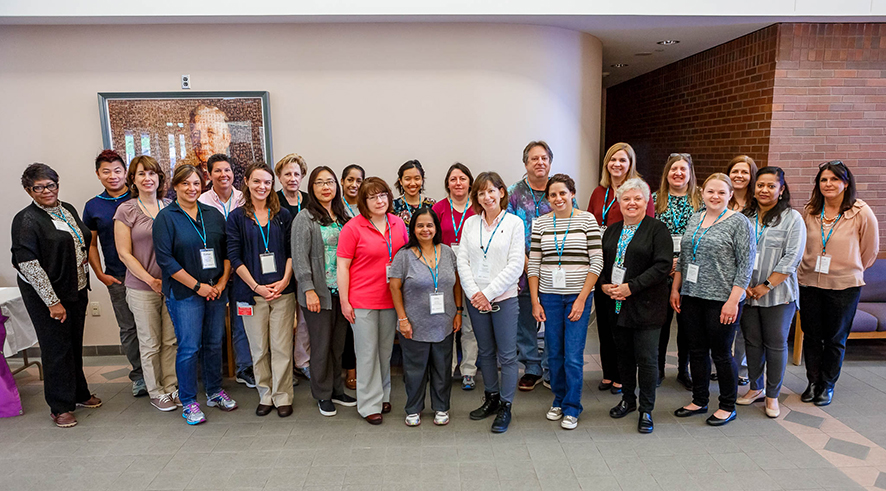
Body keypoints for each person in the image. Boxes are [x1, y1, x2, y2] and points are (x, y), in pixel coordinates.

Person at [12, 163, 102, 428]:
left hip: (74, 288)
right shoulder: (26, 220)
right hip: (48, 297)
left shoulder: (67, 209)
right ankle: (60, 406)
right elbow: (27, 263)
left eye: (50, 185)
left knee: (73, 345)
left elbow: (79, 240)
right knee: (56, 349)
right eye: (38, 187)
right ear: (29, 191)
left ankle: (79, 393)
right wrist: (52, 302)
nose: (46, 191)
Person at [154, 165, 237, 425]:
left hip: (215, 290)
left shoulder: (212, 215)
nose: (191, 189)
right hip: (185, 293)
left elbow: (227, 252)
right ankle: (189, 401)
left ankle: (214, 392)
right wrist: (197, 286)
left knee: (214, 344)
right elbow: (166, 261)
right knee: (189, 348)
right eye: (185, 184)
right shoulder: (166, 218)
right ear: (175, 187)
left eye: (196, 184)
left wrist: (222, 282)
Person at [671, 173, 754, 427]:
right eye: (710, 192)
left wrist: (733, 301)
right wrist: (676, 289)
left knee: (721, 353)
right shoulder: (695, 218)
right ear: (702, 194)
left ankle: (728, 405)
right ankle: (699, 399)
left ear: (730, 194)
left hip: (722, 299)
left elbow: (746, 266)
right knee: (696, 351)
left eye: (721, 192)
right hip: (691, 296)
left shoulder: (739, 222)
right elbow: (685, 258)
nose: (715, 197)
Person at [797, 161, 879, 406]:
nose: (828, 184)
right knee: (812, 335)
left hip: (845, 286)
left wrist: (849, 268)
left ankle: (827, 384)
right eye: (823, 179)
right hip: (810, 282)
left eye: (834, 179)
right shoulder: (810, 210)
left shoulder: (861, 211)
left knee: (835, 337)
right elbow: (803, 246)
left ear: (846, 183)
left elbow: (870, 250)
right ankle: (812, 382)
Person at [527, 174, 603, 430]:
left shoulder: (587, 220)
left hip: (577, 296)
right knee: (554, 353)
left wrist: (582, 299)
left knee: (572, 355)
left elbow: (597, 262)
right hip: (549, 296)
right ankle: (558, 399)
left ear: (572, 193)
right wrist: (536, 301)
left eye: (562, 193)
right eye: (552, 195)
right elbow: (534, 264)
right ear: (547, 198)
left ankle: (572, 407)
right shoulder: (540, 224)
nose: (558, 199)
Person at [599, 178, 672, 434]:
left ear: (646, 202)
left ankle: (647, 410)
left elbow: (663, 266)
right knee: (624, 357)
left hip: (646, 306)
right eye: (626, 199)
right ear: (619, 203)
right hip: (617, 306)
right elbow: (602, 263)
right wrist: (604, 284)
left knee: (647, 359)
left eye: (637, 199)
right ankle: (628, 400)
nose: (632, 203)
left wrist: (632, 286)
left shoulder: (657, 229)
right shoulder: (611, 230)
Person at [337, 177, 408, 425]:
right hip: (362, 300)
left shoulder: (398, 223)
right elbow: (343, 267)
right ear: (363, 202)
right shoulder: (353, 228)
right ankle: (368, 404)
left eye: (383, 195)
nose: (379, 201)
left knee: (385, 352)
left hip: (391, 299)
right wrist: (345, 301)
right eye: (372, 197)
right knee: (367, 354)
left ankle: (383, 395)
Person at [228, 162, 296, 417]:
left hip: (281, 293)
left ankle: (283, 396)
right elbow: (234, 257)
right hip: (251, 294)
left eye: (267, 182)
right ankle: (265, 394)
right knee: (259, 349)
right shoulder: (236, 217)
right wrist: (256, 286)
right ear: (246, 182)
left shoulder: (283, 215)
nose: (262, 186)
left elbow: (291, 253)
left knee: (281, 348)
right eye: (257, 181)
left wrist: (284, 281)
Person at [737, 166, 805, 418]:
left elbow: (792, 258)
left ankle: (773, 395)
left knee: (775, 344)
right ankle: (755, 387)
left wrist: (765, 286)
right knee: (752, 342)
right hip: (746, 292)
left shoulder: (792, 218)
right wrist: (744, 286)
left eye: (771, 186)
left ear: (781, 189)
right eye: (760, 185)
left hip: (778, 294)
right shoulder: (744, 216)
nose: (764, 190)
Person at [459, 172, 525, 433]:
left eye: (491, 191)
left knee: (507, 355)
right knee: (485, 352)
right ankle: (491, 397)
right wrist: (476, 293)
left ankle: (506, 405)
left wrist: (488, 294)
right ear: (476, 197)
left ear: (501, 192)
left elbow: (515, 265)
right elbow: (462, 261)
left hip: (504, 299)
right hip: (476, 300)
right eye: (481, 193)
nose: (486, 197)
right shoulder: (470, 224)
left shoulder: (514, 224)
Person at [507, 141, 575, 391]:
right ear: (526, 163)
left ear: (550, 162)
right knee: (524, 319)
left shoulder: (559, 190)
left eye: (544, 158)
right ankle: (532, 367)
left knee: (554, 321)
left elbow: (573, 225)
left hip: (556, 269)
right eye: (534, 158)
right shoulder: (514, 193)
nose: (540, 163)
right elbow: (506, 232)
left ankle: (550, 367)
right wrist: (527, 264)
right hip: (522, 268)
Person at [588, 143, 654, 394]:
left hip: (630, 266)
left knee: (622, 325)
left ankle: (623, 376)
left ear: (630, 164)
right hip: (603, 263)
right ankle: (608, 373)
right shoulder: (598, 192)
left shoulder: (640, 190)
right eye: (612, 159)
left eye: (622, 160)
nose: (617, 164)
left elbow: (647, 227)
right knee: (604, 324)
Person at [113, 156, 178, 412]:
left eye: (152, 174)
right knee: (150, 342)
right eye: (141, 174)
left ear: (160, 178)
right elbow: (124, 253)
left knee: (170, 340)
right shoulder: (126, 210)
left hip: (173, 286)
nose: (147, 179)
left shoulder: (171, 206)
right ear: (133, 179)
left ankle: (171, 386)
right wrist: (151, 280)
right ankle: (156, 390)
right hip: (142, 287)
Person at [292, 166, 358, 417]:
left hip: (341, 292)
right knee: (320, 345)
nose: (326, 187)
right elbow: (299, 259)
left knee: (337, 345)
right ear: (312, 188)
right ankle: (322, 394)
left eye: (330, 182)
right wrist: (308, 289)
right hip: (317, 292)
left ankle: (336, 389)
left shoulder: (343, 215)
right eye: (320, 183)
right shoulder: (304, 218)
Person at [390, 208, 462, 426]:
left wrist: (458, 311)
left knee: (442, 368)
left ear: (436, 228)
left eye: (429, 225)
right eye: (420, 225)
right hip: (414, 324)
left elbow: (457, 283)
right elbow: (394, 287)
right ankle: (413, 408)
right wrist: (402, 319)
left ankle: (441, 407)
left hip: (444, 322)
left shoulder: (448, 252)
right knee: (415, 370)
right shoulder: (404, 255)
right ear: (413, 229)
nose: (425, 229)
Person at [82, 150, 144, 397]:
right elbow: (91, 244)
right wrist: (100, 274)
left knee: (158, 327)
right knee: (129, 329)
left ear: (126, 172)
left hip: (150, 275)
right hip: (117, 277)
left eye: (117, 170)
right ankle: (139, 376)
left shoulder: (140, 196)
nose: (112, 176)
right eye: (106, 171)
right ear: (98, 174)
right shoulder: (93, 206)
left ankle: (161, 374)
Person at [198, 154, 255, 389]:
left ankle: (244, 368)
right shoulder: (201, 201)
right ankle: (212, 372)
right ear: (209, 175)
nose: (224, 175)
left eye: (228, 170)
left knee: (242, 320)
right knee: (212, 324)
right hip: (213, 272)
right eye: (218, 171)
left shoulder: (244, 199)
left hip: (242, 269)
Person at [652, 153, 702, 390]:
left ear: (690, 173)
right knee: (661, 323)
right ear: (667, 173)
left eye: (683, 169)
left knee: (688, 325)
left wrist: (680, 263)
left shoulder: (700, 200)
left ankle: (684, 370)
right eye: (673, 169)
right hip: (661, 269)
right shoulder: (655, 199)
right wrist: (667, 263)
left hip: (692, 270)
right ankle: (658, 369)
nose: (678, 173)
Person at [431, 163, 478, 391]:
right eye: (453, 179)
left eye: (462, 178)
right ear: (447, 184)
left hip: (473, 274)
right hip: (446, 275)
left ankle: (469, 370)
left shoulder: (479, 208)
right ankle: (447, 368)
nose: (458, 183)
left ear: (470, 182)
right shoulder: (438, 208)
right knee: (447, 323)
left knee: (470, 326)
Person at [274, 153, 312, 383]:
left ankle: (303, 361)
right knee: (285, 318)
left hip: (307, 267)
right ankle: (284, 365)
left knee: (306, 318)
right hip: (281, 267)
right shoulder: (272, 201)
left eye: (296, 174)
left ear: (303, 176)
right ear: (279, 177)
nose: (292, 178)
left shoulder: (309, 201)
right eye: (287, 174)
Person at [724, 155, 758, 385]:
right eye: (735, 171)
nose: (739, 176)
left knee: (745, 326)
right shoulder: (721, 201)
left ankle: (741, 369)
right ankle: (722, 364)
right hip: (723, 274)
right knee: (723, 323)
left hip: (751, 274)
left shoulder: (758, 205)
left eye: (745, 172)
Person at [339, 164, 365, 390]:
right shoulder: (336, 207)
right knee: (348, 328)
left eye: (358, 180)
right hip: (344, 271)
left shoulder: (368, 207)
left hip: (365, 274)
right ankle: (350, 370)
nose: (354, 184)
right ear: (342, 182)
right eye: (350, 180)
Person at [187, 104, 233, 191]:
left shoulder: (242, 176)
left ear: (226, 139)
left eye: (211, 133)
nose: (202, 141)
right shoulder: (186, 176)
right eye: (196, 134)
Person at [392, 160, 436, 224]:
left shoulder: (432, 204)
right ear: (401, 181)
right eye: (407, 179)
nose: (412, 183)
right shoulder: (393, 206)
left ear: (422, 180)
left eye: (417, 178)